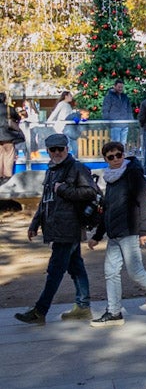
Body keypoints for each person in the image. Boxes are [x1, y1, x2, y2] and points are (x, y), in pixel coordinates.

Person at [86, 142, 146, 327]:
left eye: (118, 155)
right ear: (105, 159)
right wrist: (98, 235)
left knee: (136, 272)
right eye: (110, 157)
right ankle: (114, 313)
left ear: (123, 155)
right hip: (114, 233)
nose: (115, 159)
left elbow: (143, 201)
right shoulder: (110, 177)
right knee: (110, 272)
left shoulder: (132, 172)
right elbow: (107, 209)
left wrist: (144, 231)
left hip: (129, 231)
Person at [14, 132, 95, 324]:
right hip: (56, 228)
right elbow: (46, 201)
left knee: (55, 270)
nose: (57, 152)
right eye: (53, 149)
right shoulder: (51, 170)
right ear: (48, 151)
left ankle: (40, 311)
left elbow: (90, 192)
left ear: (67, 149)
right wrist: (35, 223)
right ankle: (83, 307)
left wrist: (63, 189)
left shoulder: (77, 168)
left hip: (69, 228)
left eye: (61, 149)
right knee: (75, 267)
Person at [101, 79, 134, 143]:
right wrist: (108, 123)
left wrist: (130, 121)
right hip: (115, 125)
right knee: (116, 145)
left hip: (125, 125)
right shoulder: (109, 97)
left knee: (123, 144)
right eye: (119, 87)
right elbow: (105, 110)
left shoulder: (125, 97)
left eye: (122, 87)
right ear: (115, 86)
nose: (120, 89)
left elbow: (129, 110)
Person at [0, 92, 21, 182]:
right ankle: (7, 177)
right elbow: (18, 118)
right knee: (9, 155)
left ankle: (0, 176)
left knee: (0, 155)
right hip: (8, 135)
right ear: (4, 99)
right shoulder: (9, 109)